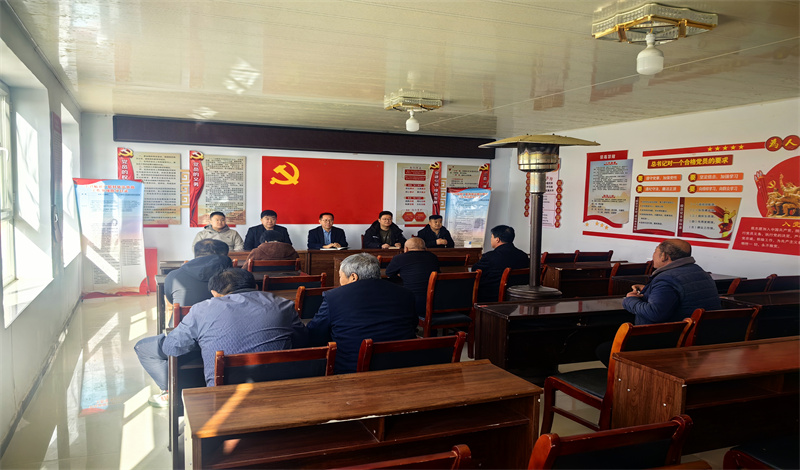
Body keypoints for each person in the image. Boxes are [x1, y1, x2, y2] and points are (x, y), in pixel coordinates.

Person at [134, 268, 306, 406]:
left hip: (223, 397)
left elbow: (172, 347)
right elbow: (302, 340)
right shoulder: (283, 304)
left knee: (145, 347)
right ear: (255, 286)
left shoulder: (202, 309)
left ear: (214, 293)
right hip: (278, 385)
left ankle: (173, 395)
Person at [306, 253, 417, 373]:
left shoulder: (333, 297)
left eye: (340, 276)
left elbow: (315, 334)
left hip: (352, 369)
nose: (340, 282)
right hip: (403, 365)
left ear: (353, 277)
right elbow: (413, 325)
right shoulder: (405, 293)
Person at [623, 239, 721, 324]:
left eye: (655, 251)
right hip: (704, 330)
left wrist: (630, 300)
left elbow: (655, 313)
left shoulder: (666, 279)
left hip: (672, 335)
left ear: (664, 256)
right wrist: (649, 289)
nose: (653, 256)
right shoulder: (700, 271)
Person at [164, 239, 232, 312]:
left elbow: (171, 300)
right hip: (223, 318)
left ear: (196, 254)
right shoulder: (235, 277)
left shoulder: (174, 276)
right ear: (225, 255)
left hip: (185, 319)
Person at [472, 225, 529, 302]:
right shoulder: (523, 256)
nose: (491, 239)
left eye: (492, 237)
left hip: (491, 298)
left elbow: (475, 270)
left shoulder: (490, 257)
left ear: (497, 239)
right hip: (517, 297)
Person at [385, 237, 440, 316]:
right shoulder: (433, 257)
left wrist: (401, 273)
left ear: (406, 249)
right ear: (425, 248)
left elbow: (389, 273)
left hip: (410, 302)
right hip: (434, 301)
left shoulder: (399, 258)